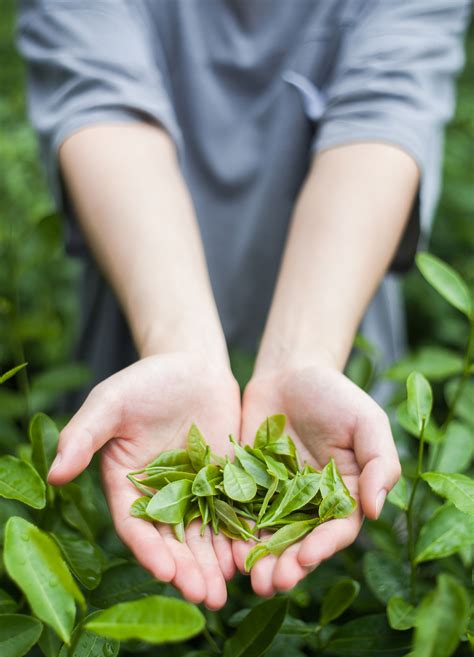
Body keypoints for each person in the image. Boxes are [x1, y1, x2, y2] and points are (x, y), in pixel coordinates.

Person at [17, 0, 470, 610]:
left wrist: (304, 357)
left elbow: (384, 114)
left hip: (336, 348)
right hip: (140, 348)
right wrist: (181, 347)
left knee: (354, 563)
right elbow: (101, 99)